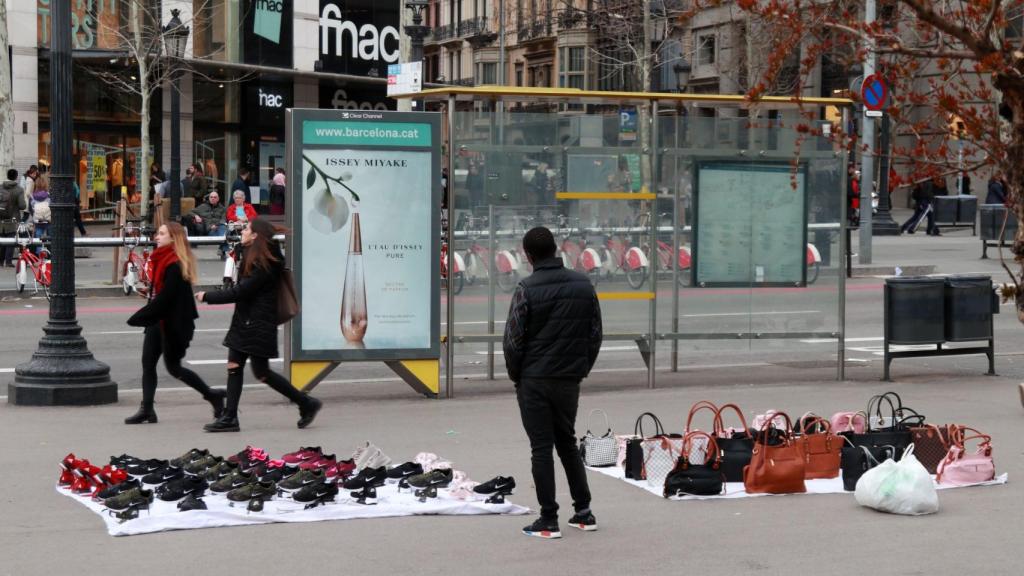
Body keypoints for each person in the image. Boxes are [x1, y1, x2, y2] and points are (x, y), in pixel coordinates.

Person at [503, 226, 602, 539]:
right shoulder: (583, 285)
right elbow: (595, 333)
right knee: (567, 443)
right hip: (568, 379)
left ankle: (548, 519)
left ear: (528, 254)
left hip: (534, 380)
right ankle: (584, 512)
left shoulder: (526, 288)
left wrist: (517, 374)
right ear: (556, 249)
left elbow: (513, 340)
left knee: (541, 448)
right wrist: (581, 367)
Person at [196, 218, 322, 432]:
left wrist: (208, 296)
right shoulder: (254, 254)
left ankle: (304, 403)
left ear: (255, 235)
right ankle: (231, 416)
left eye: (246, 229)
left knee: (260, 372)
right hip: (247, 320)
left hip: (257, 322)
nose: (242, 232)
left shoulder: (265, 261)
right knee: (239, 367)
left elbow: (242, 291)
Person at [124, 222, 225, 425]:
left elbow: (166, 299)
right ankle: (147, 409)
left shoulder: (174, 264)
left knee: (174, 368)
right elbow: (161, 296)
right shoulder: (161, 258)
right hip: (160, 319)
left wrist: (140, 316)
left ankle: (212, 395)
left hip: (174, 324)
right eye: (157, 233)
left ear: (173, 239)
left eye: (161, 234)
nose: (156, 237)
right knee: (148, 363)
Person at [1, 169, 27, 267]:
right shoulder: (19, 189)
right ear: (16, 177)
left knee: (2, 238)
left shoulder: (0, 187)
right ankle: (8, 262)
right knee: (10, 239)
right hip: (13, 219)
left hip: (1, 218)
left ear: (7, 176)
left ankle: (0, 261)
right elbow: (22, 206)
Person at [30, 174, 51, 254]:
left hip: (38, 221)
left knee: (38, 239)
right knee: (50, 237)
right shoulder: (49, 196)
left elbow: (30, 209)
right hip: (48, 220)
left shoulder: (32, 197)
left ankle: (39, 256)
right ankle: (50, 255)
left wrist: (36, 215)